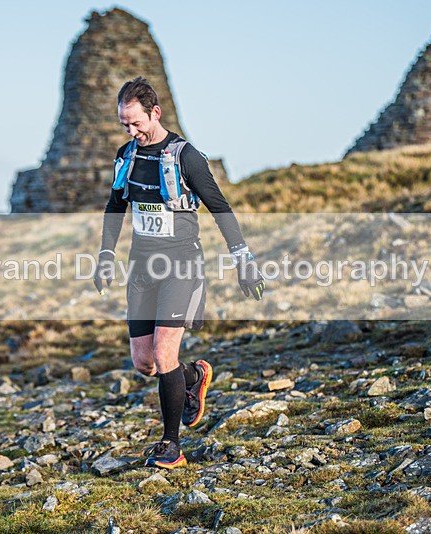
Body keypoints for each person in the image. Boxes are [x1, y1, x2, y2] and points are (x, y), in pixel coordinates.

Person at [94, 77, 266, 469]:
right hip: (142, 268)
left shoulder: (186, 157)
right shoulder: (127, 156)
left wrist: (244, 260)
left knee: (163, 352)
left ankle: (171, 445)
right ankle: (193, 376)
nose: (131, 131)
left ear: (155, 113)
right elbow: (114, 206)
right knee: (144, 363)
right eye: (124, 125)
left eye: (136, 123)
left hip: (181, 266)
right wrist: (106, 253)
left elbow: (220, 207)